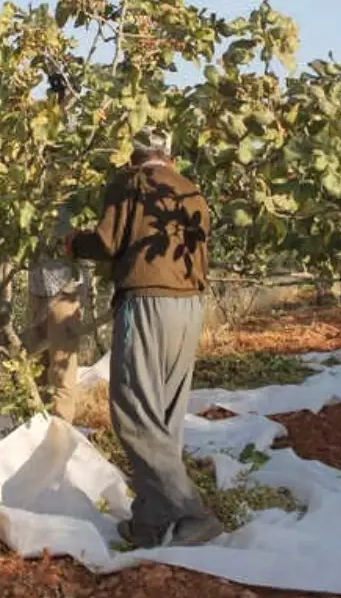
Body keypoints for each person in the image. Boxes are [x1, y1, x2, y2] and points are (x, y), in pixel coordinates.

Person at [63, 127, 224, 548]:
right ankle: (150, 522)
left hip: (147, 304)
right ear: (169, 156)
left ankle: (193, 512)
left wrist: (74, 243)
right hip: (189, 307)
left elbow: (105, 241)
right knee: (164, 414)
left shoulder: (129, 184)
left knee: (133, 413)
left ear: (134, 156)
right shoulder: (192, 190)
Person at [26, 218, 86, 421]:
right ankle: (36, 426)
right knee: (34, 366)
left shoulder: (70, 196)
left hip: (65, 291)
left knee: (62, 368)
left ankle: (60, 432)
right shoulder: (28, 195)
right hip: (37, 290)